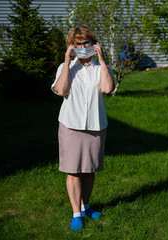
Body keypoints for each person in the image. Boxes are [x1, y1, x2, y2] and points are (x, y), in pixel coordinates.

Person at [51, 26, 114, 231]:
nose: (81, 47)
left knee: (90, 170)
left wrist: (102, 61)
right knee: (74, 171)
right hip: (71, 125)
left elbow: (107, 88)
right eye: (77, 44)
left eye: (85, 43)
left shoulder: (100, 67)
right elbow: (61, 90)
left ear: (94, 44)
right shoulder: (65, 67)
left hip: (96, 125)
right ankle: (76, 213)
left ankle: (86, 206)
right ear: (72, 46)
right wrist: (68, 62)